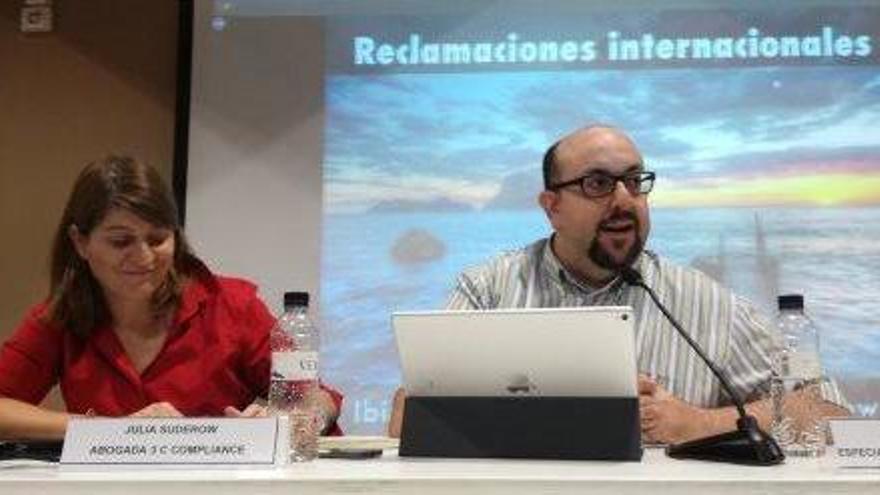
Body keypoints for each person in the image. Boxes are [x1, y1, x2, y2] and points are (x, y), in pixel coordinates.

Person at [388, 124, 849, 442]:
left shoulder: (707, 303)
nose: (625, 200)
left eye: (634, 181)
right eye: (598, 184)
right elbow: (406, 418)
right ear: (552, 206)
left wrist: (697, 424)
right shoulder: (488, 289)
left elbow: (828, 412)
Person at [0, 155, 342, 440]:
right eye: (121, 242)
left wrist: (291, 420)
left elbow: (319, 399)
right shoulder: (59, 316)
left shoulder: (231, 305)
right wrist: (107, 430)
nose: (144, 257)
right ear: (80, 243)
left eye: (158, 239)